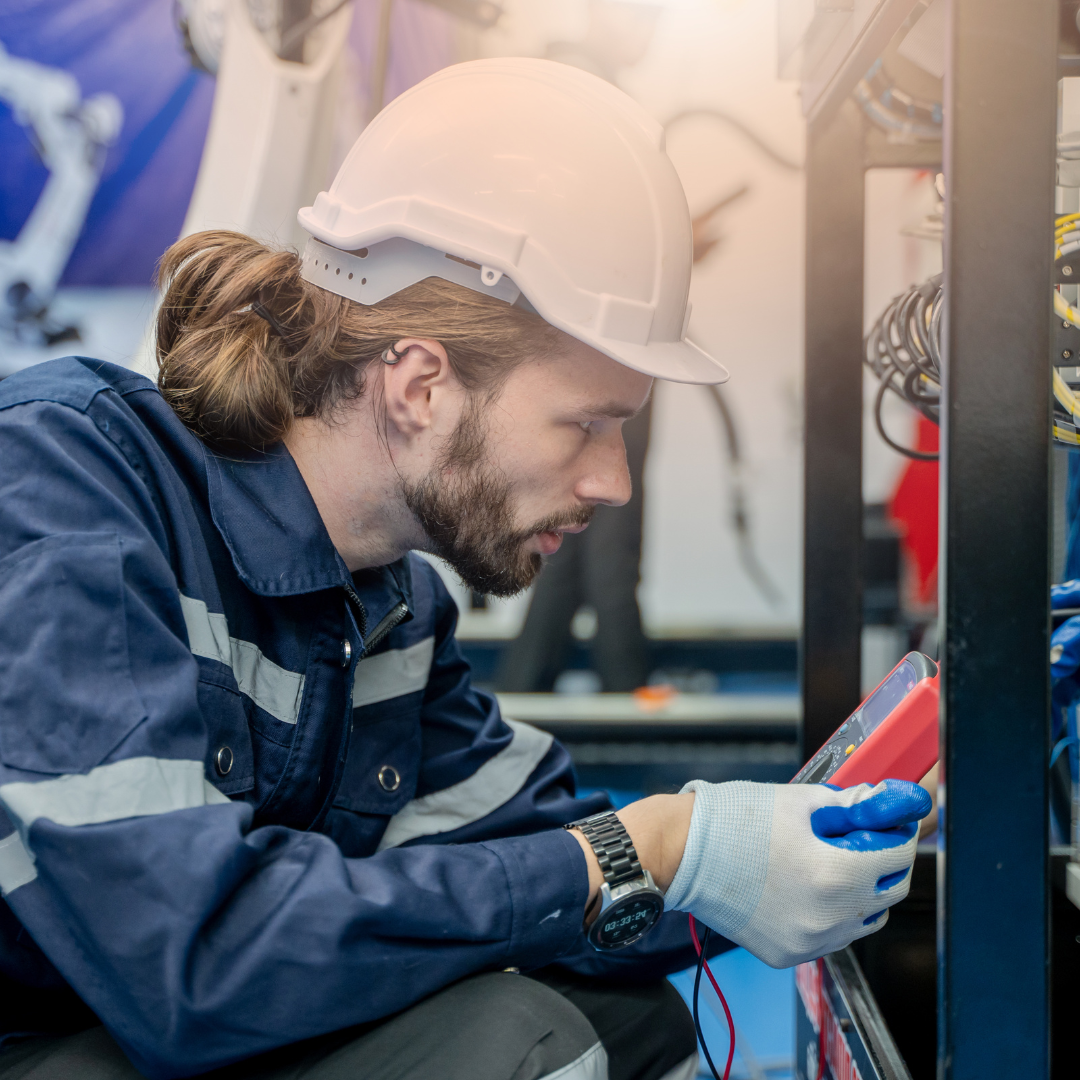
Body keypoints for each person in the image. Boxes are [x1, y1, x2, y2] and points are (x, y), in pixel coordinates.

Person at [0, 59, 930, 1080]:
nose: (614, 482)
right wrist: (647, 846)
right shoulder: (64, 487)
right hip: (60, 1030)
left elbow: (551, 864)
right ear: (420, 385)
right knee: (516, 1045)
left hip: (147, 1021)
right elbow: (192, 959)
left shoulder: (387, 610)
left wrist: (748, 848)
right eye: (585, 424)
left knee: (632, 1021)